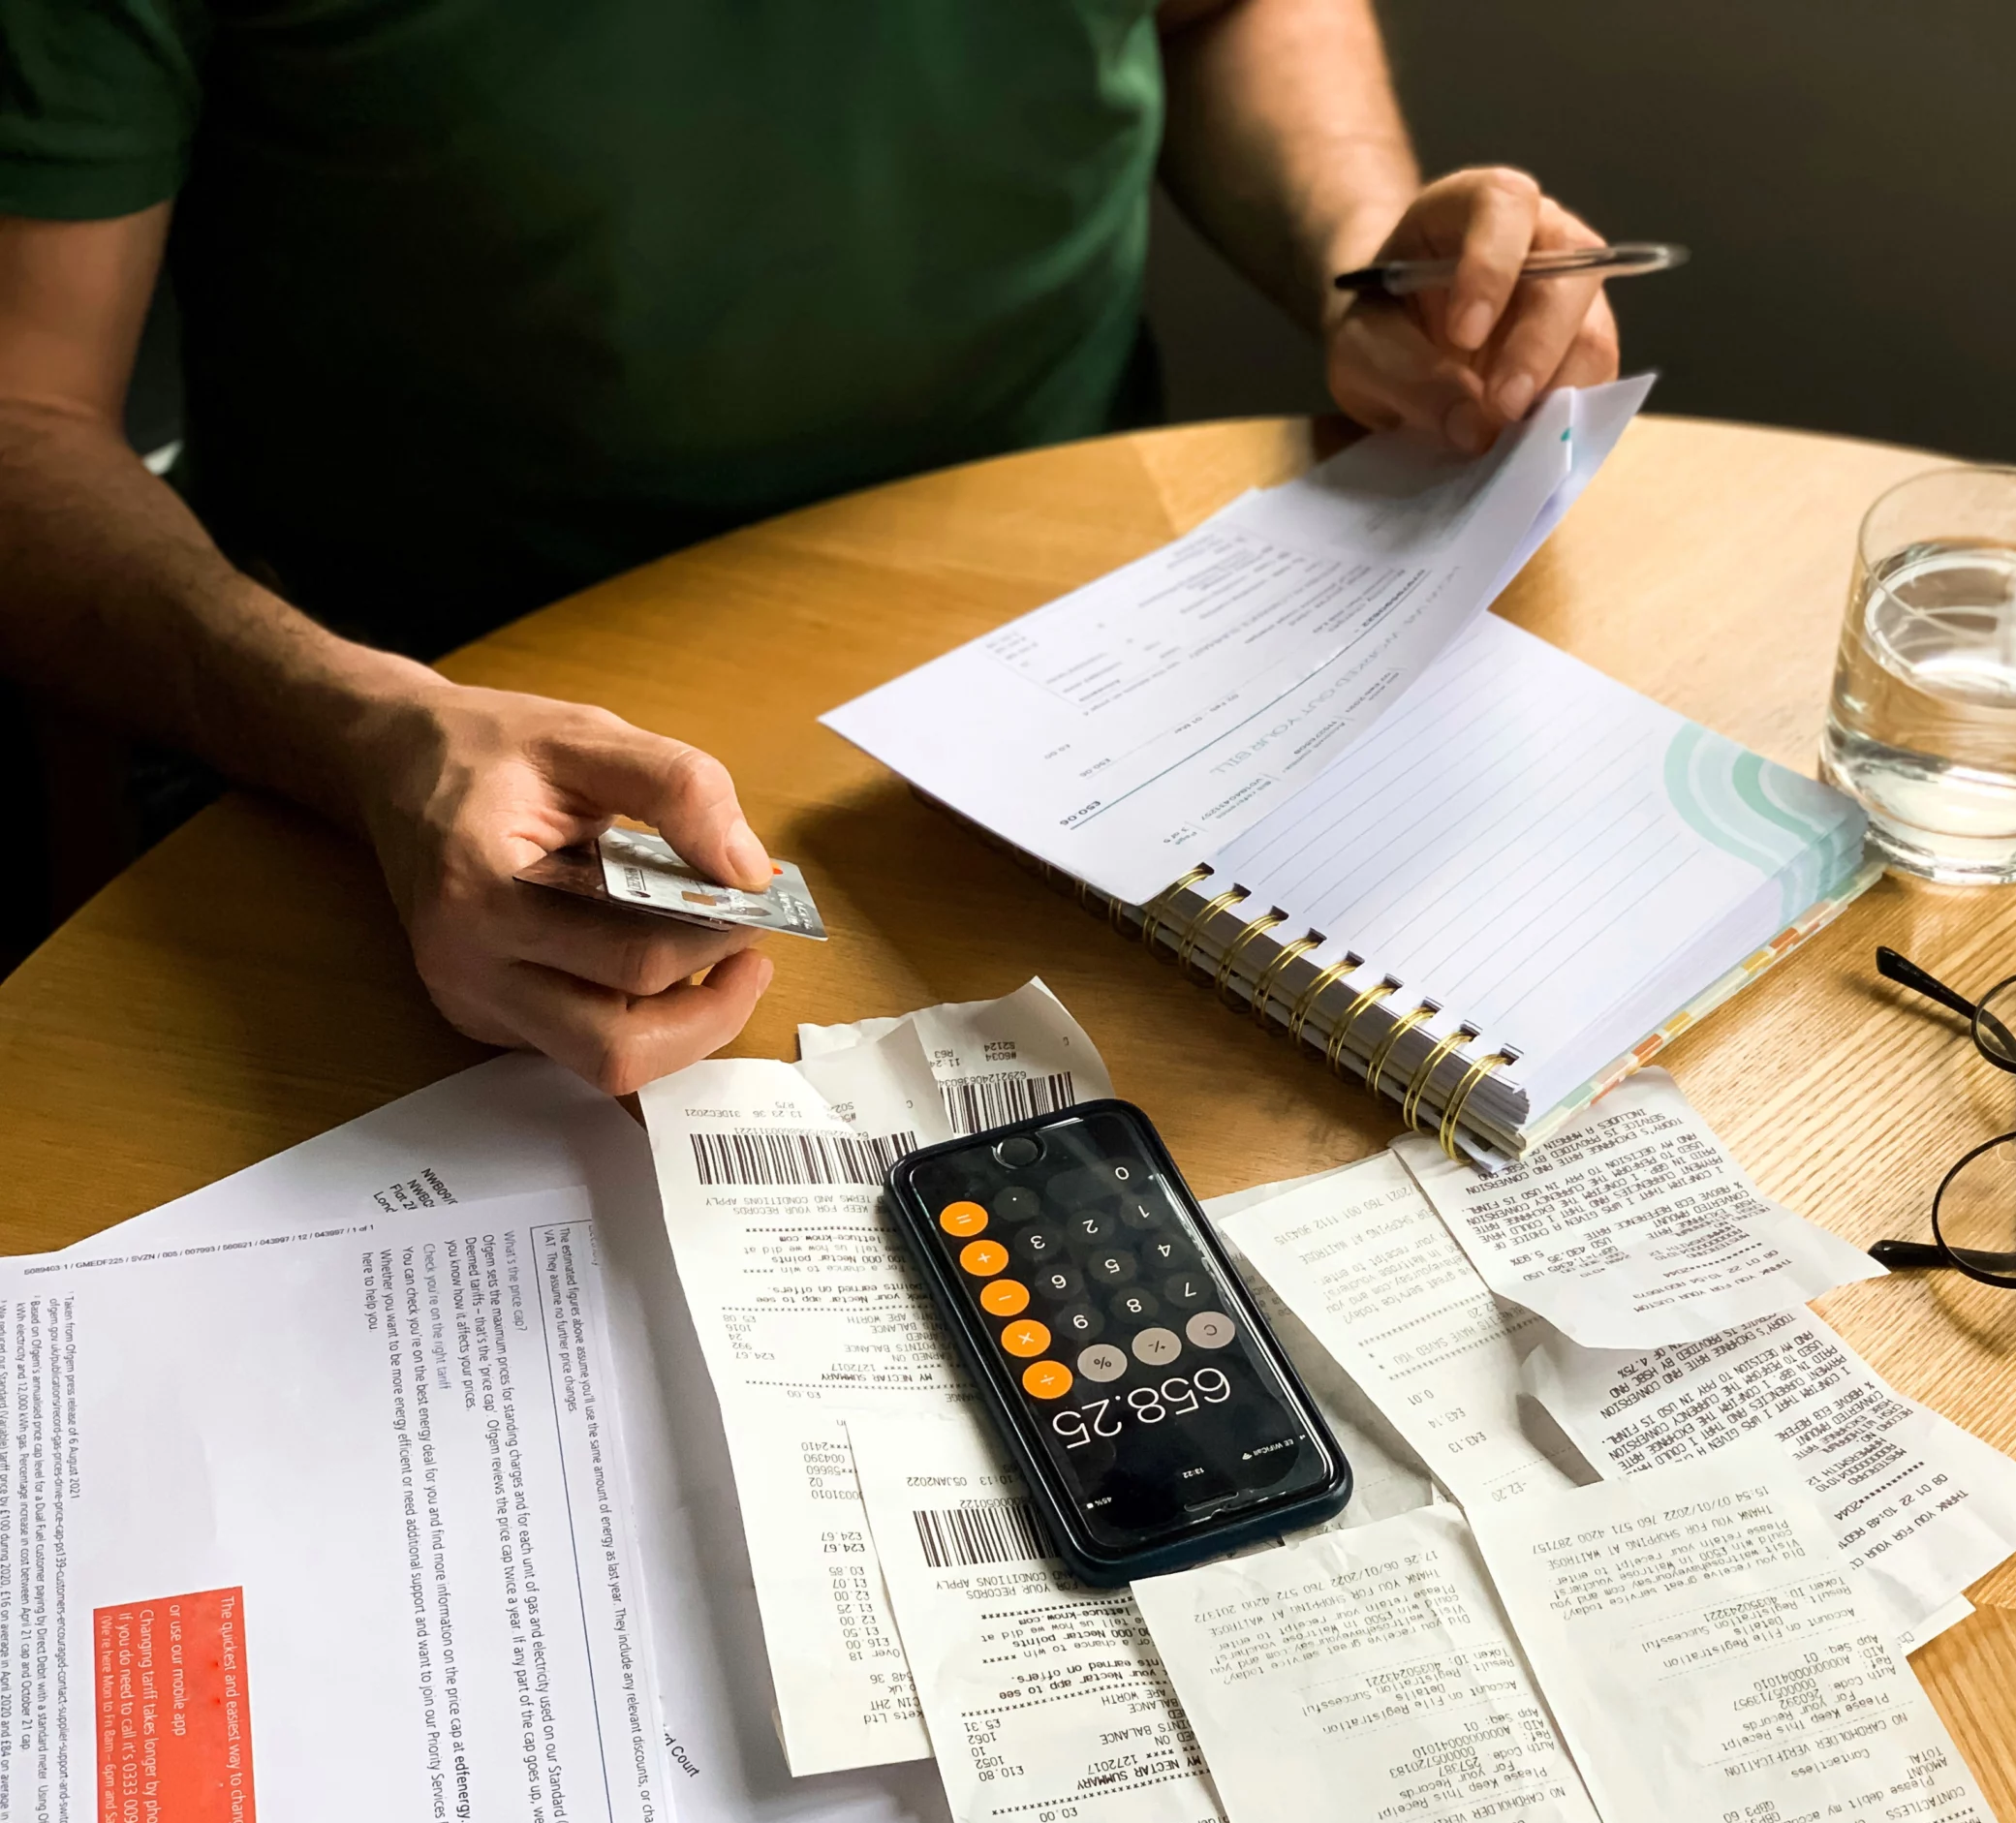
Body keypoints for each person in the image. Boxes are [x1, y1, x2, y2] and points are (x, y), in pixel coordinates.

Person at [0, 0, 1621, 1093]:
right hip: (438, 740)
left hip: (1094, 649)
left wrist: (1363, 255)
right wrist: (369, 731)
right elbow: (24, 428)